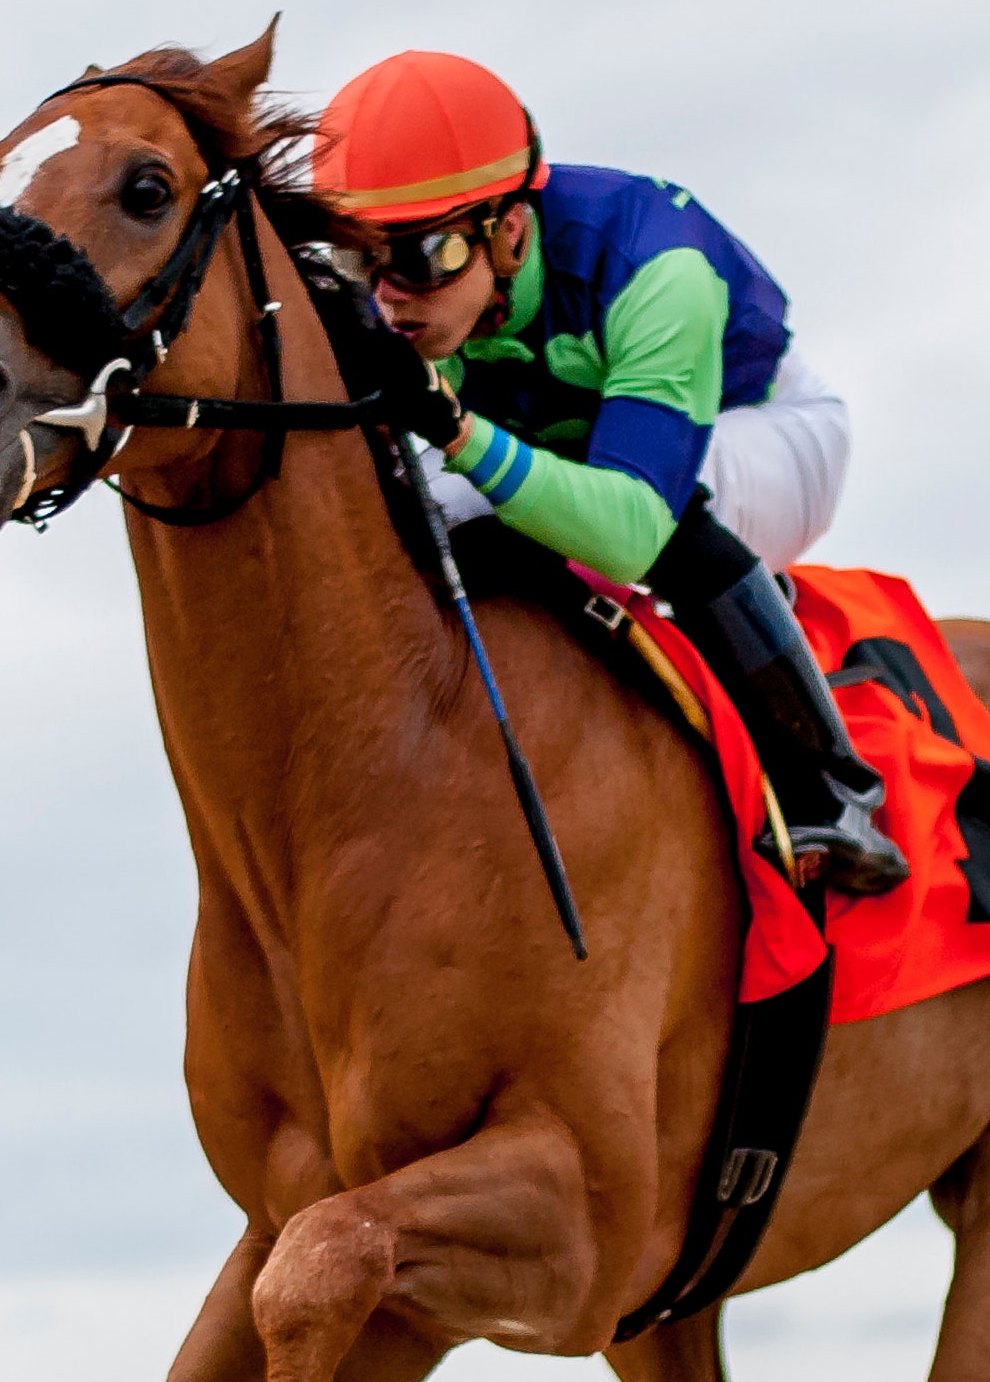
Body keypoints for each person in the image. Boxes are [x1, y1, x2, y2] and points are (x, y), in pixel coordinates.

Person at [318, 50, 909, 898]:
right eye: (355, 260)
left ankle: (836, 789)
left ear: (509, 231)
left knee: (666, 511)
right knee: (411, 521)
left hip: (766, 432)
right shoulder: (409, 296)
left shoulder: (659, 267)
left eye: (418, 256)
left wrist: (453, 427)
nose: (385, 299)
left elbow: (630, 531)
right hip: (572, 436)